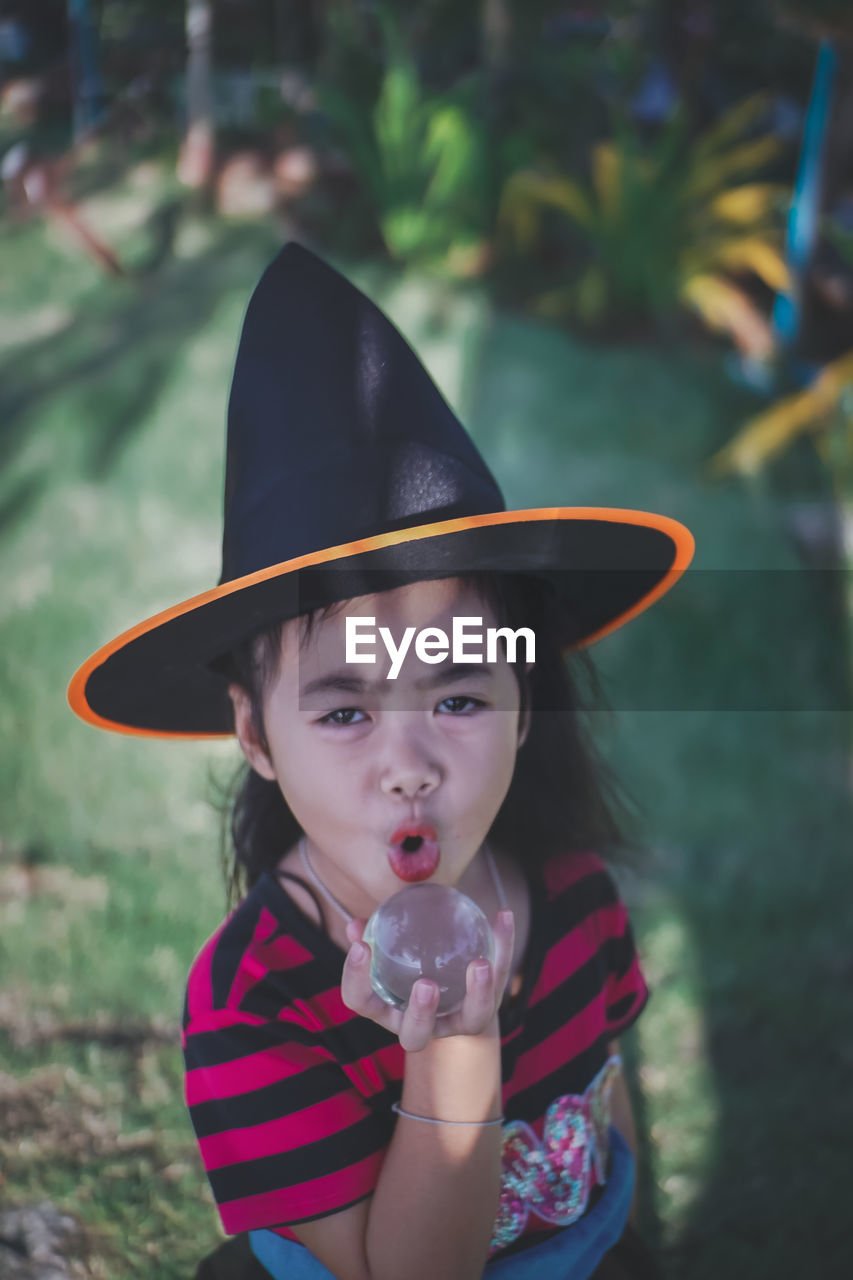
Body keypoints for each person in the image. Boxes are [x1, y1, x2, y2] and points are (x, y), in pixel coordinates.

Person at [68, 243, 694, 1279]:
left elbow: (610, 1100)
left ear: (522, 703)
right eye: (346, 710)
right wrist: (455, 1048)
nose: (409, 763)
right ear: (257, 733)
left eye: (456, 696)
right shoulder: (254, 998)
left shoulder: (578, 896)